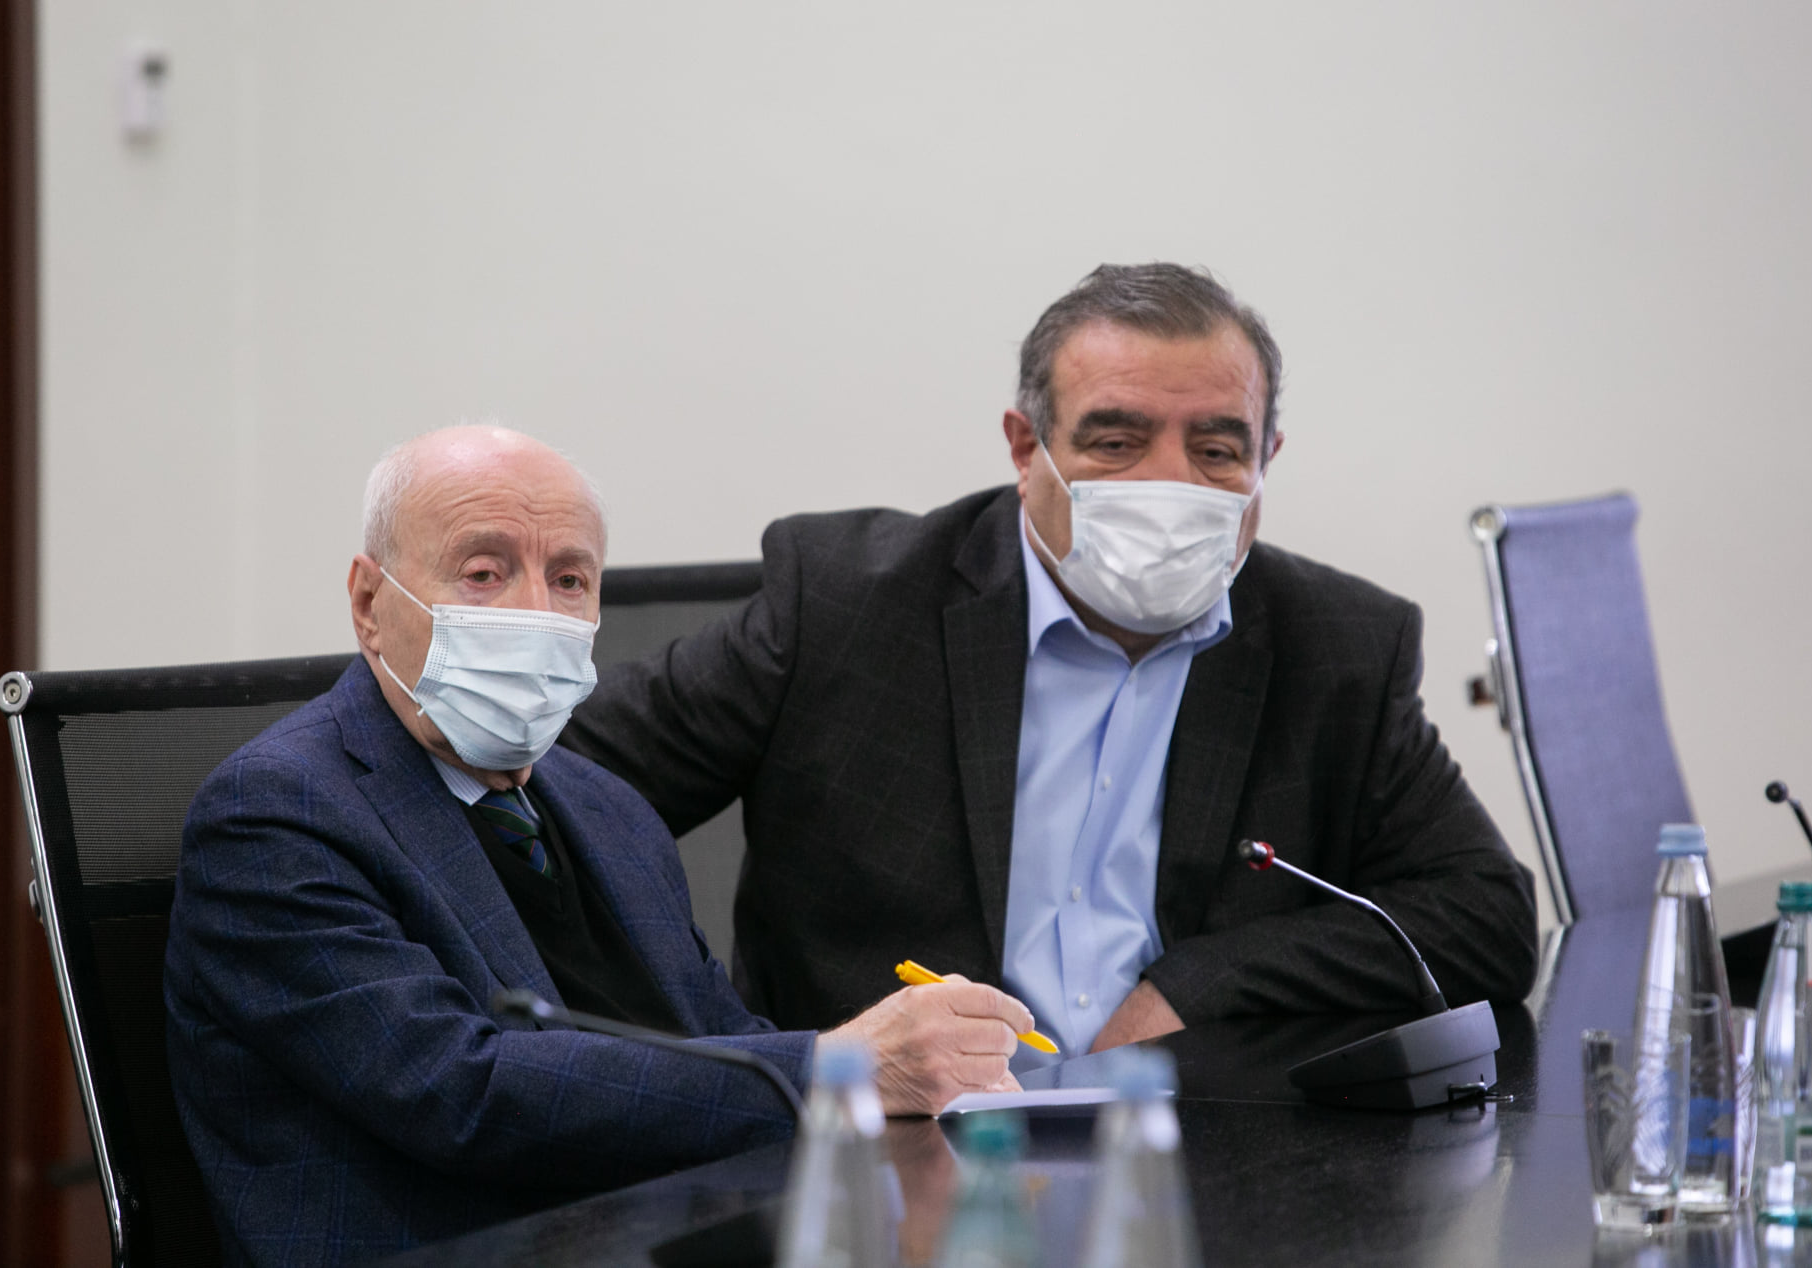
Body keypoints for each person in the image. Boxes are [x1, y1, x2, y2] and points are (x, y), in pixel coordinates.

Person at [563, 264, 1539, 1060]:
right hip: (879, 1148)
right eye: (1116, 440)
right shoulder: (848, 602)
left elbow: (1486, 915)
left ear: (1265, 460)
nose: (1170, 482)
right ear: (1026, 447)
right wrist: (722, 1040)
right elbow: (558, 795)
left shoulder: (1338, 645)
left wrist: (1197, 984)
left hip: (1192, 1149)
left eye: (1216, 450)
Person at [163, 425, 1034, 1266]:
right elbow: (460, 1093)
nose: (535, 614)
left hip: (676, 1235)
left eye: (570, 580)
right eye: (483, 573)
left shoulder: (603, 804)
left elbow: (720, 1040)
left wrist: (908, 1074)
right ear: (369, 604)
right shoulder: (275, 816)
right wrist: (838, 1069)